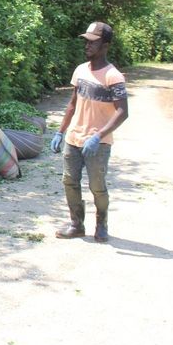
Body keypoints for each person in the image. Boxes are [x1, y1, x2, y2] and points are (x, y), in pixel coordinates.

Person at [50, 22, 128, 242]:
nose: (87, 45)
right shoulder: (81, 70)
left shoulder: (113, 76)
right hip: (74, 139)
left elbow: (122, 112)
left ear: (105, 45)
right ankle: (76, 224)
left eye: (93, 42)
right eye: (86, 41)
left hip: (98, 143)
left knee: (97, 187)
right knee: (69, 182)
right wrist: (60, 131)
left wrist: (98, 136)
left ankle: (101, 224)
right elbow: (73, 104)